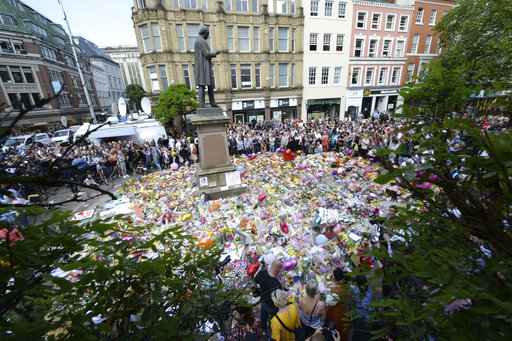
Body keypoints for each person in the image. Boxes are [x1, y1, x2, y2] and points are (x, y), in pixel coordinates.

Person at [253, 259, 284, 334]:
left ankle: (263, 328)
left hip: (263, 300)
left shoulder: (262, 273)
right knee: (273, 318)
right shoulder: (277, 284)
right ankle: (272, 330)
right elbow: (279, 299)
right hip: (272, 306)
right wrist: (282, 284)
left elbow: (256, 280)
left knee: (263, 315)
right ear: (279, 270)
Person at [194, 26, 220, 108]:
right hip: (203, 67)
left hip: (204, 66)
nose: (208, 35)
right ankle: (202, 104)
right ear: (204, 32)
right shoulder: (200, 40)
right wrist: (215, 52)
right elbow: (207, 54)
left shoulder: (199, 40)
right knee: (202, 84)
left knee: (210, 85)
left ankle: (212, 103)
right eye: (207, 33)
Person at [325, 268, 350, 341]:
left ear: (335, 279)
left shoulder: (336, 293)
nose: (330, 277)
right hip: (344, 307)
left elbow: (329, 301)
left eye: (331, 276)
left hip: (336, 311)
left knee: (337, 324)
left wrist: (329, 290)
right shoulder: (344, 284)